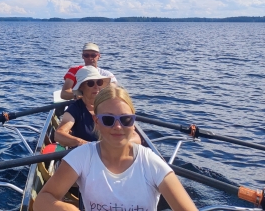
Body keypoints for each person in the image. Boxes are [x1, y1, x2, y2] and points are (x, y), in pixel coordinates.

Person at [35, 86, 198, 211]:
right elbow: (42, 201)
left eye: (126, 119)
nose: (118, 126)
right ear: (96, 122)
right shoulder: (82, 157)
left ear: (133, 122)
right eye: (108, 119)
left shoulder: (151, 163)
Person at [55, 66, 110, 147]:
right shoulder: (75, 109)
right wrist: (84, 144)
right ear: (81, 87)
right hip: (86, 155)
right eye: (90, 83)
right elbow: (59, 134)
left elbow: (133, 135)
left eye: (99, 82)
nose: (96, 87)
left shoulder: (110, 106)